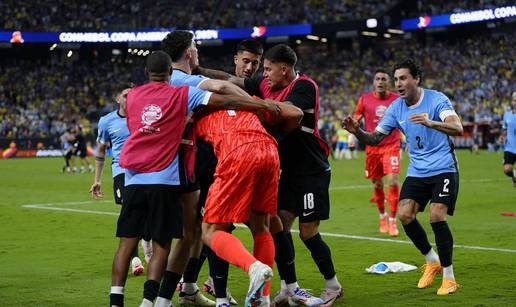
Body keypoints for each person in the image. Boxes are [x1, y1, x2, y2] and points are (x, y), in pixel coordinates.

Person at [109, 50, 279, 307]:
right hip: (262, 151)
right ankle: (260, 297)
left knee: (141, 241)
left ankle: (119, 301)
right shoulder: (192, 93)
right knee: (255, 227)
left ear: (147, 73)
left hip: (141, 175)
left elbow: (136, 125)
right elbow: (223, 94)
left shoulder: (142, 97)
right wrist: (263, 104)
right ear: (170, 73)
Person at [197, 43, 339, 306]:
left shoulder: (304, 86)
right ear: (236, 58)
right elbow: (229, 80)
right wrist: (197, 71)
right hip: (277, 165)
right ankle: (280, 289)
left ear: (283, 69)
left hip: (309, 169)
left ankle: (331, 284)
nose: (259, 72)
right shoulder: (260, 86)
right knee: (275, 225)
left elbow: (290, 112)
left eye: (264, 67)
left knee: (306, 232)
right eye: (249, 63)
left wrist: (252, 104)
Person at [342, 58, 463, 295]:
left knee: (436, 216)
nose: (398, 83)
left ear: (416, 79)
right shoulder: (396, 108)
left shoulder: (437, 99)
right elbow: (376, 138)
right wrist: (358, 132)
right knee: (404, 215)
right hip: (418, 170)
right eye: (396, 79)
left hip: (444, 167)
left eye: (403, 78)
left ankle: (449, 277)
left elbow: (457, 128)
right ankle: (432, 260)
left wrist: (431, 122)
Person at [89, 86, 149, 277]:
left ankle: (145, 239)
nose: (129, 97)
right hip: (122, 172)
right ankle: (135, 259)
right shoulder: (107, 121)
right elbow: (100, 150)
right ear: (117, 99)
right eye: (125, 95)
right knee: (129, 211)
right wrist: (97, 180)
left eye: (132, 93)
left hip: (145, 171)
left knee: (145, 211)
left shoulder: (144, 116)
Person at [353, 69, 401, 236]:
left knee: (393, 181)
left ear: (389, 82)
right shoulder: (365, 99)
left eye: (384, 79)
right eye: (378, 79)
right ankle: (382, 216)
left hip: (392, 145)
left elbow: (404, 118)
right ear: (374, 82)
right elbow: (357, 115)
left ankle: (393, 221)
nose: (380, 81)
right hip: (372, 147)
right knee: (377, 184)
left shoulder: (397, 99)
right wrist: (353, 131)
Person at [501, 91, 516, 187]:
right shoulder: (507, 114)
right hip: (510, 147)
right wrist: (502, 137)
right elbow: (504, 128)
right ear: (512, 101)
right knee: (507, 170)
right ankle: (514, 175)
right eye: (515, 100)